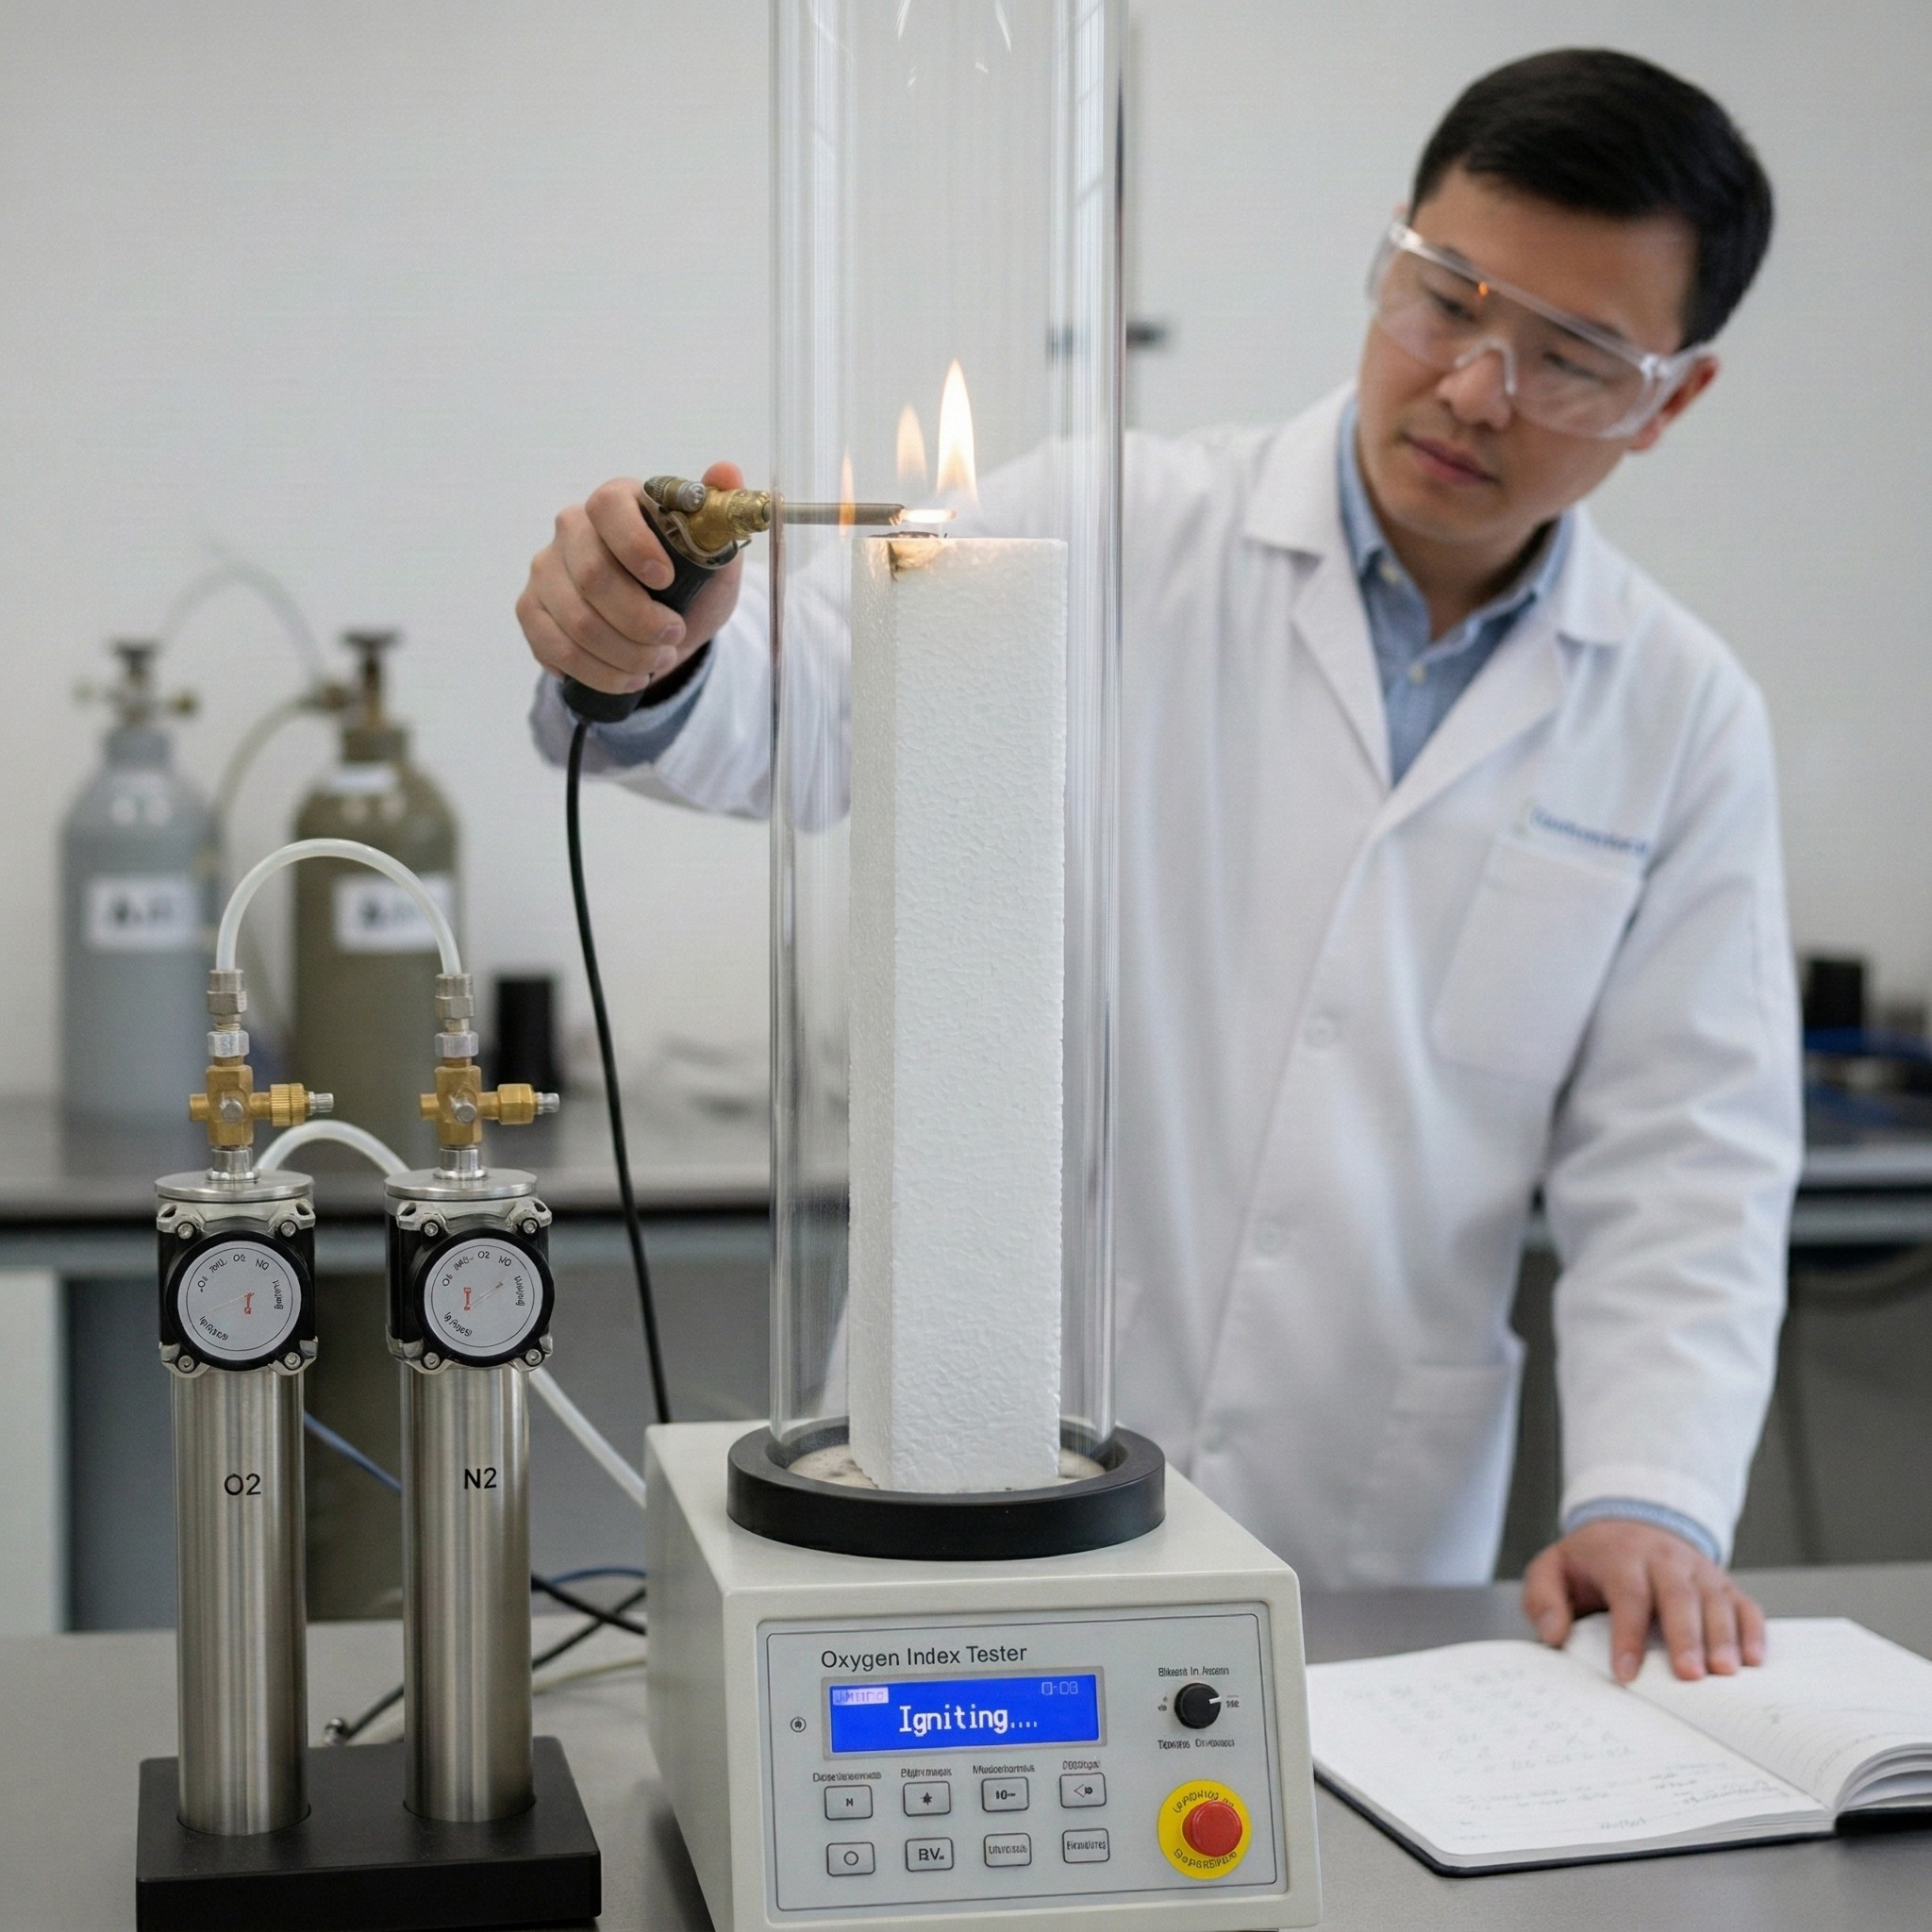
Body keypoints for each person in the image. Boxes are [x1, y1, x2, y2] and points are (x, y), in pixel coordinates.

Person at [517, 49, 1797, 1687]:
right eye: (1447, 300)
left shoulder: (1679, 714)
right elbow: (800, 698)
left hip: (1360, 1555)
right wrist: (651, 642)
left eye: (1569, 358)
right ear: (1390, 249)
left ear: (1668, 399)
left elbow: (1688, 1160)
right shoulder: (1110, 527)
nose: (1476, 386)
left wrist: (1652, 1499)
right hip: (970, 1462)